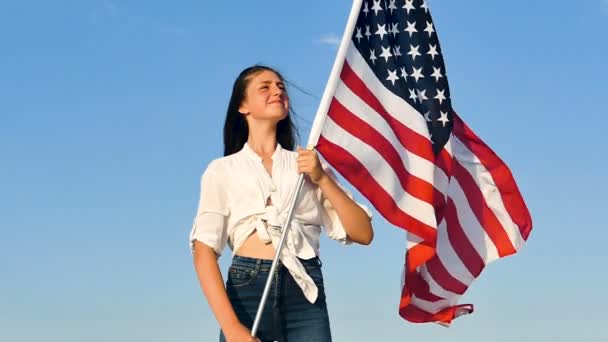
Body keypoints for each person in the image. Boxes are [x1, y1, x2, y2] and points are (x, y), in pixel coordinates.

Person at [190, 65, 374, 342]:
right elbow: (203, 250)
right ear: (243, 106)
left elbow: (363, 233)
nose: (277, 90)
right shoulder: (222, 170)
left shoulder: (308, 164)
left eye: (280, 87)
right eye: (265, 87)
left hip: (305, 291)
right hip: (247, 290)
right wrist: (231, 327)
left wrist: (322, 179)